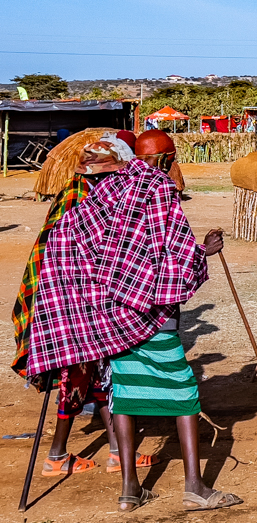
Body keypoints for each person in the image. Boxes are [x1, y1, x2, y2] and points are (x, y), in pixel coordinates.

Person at [24, 130, 241, 512]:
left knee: (121, 394)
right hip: (152, 315)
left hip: (108, 321)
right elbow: (168, 251)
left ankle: (130, 491)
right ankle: (195, 487)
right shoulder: (155, 188)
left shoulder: (94, 201)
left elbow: (63, 250)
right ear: (165, 158)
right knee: (183, 393)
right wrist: (202, 252)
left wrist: (83, 306)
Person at [12, 134, 158, 477]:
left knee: (98, 376)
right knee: (77, 377)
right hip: (68, 302)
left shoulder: (87, 193)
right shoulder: (82, 198)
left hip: (81, 301)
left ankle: (116, 452)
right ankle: (57, 456)